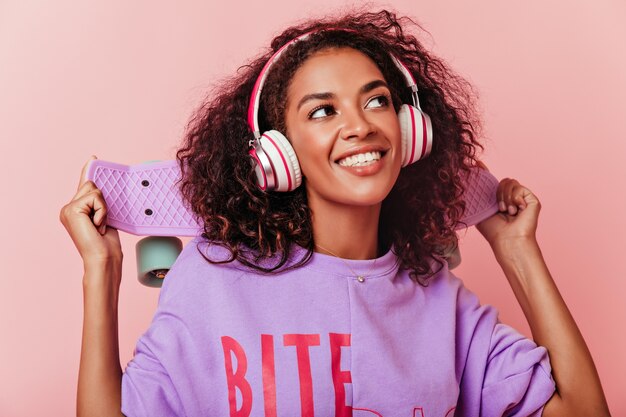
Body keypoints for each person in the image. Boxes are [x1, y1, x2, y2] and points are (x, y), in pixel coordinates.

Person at [60, 9, 610, 417]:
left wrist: (517, 250)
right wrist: (101, 273)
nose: (361, 125)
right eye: (323, 110)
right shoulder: (210, 280)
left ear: (411, 131)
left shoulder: (439, 298)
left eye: (376, 101)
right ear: (277, 154)